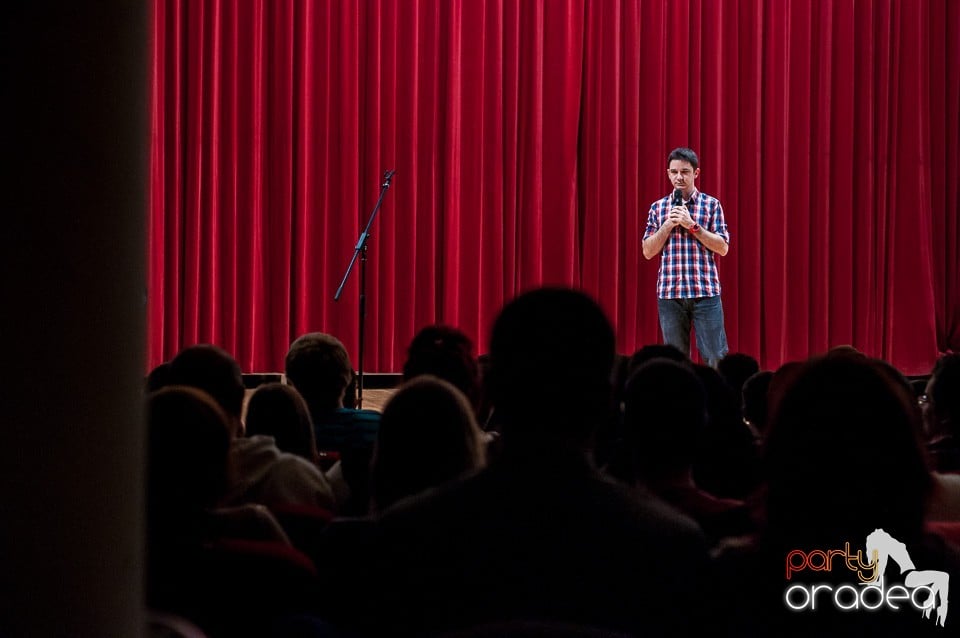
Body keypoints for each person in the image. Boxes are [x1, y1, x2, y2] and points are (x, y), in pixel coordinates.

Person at [642, 147, 730, 367]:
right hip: (670, 295)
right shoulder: (658, 208)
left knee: (715, 358)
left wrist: (693, 226)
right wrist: (667, 225)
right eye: (674, 172)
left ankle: (719, 400)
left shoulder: (711, 205)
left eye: (685, 171)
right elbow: (648, 251)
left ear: (696, 173)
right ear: (668, 173)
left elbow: (723, 248)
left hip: (705, 293)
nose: (679, 177)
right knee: (674, 362)